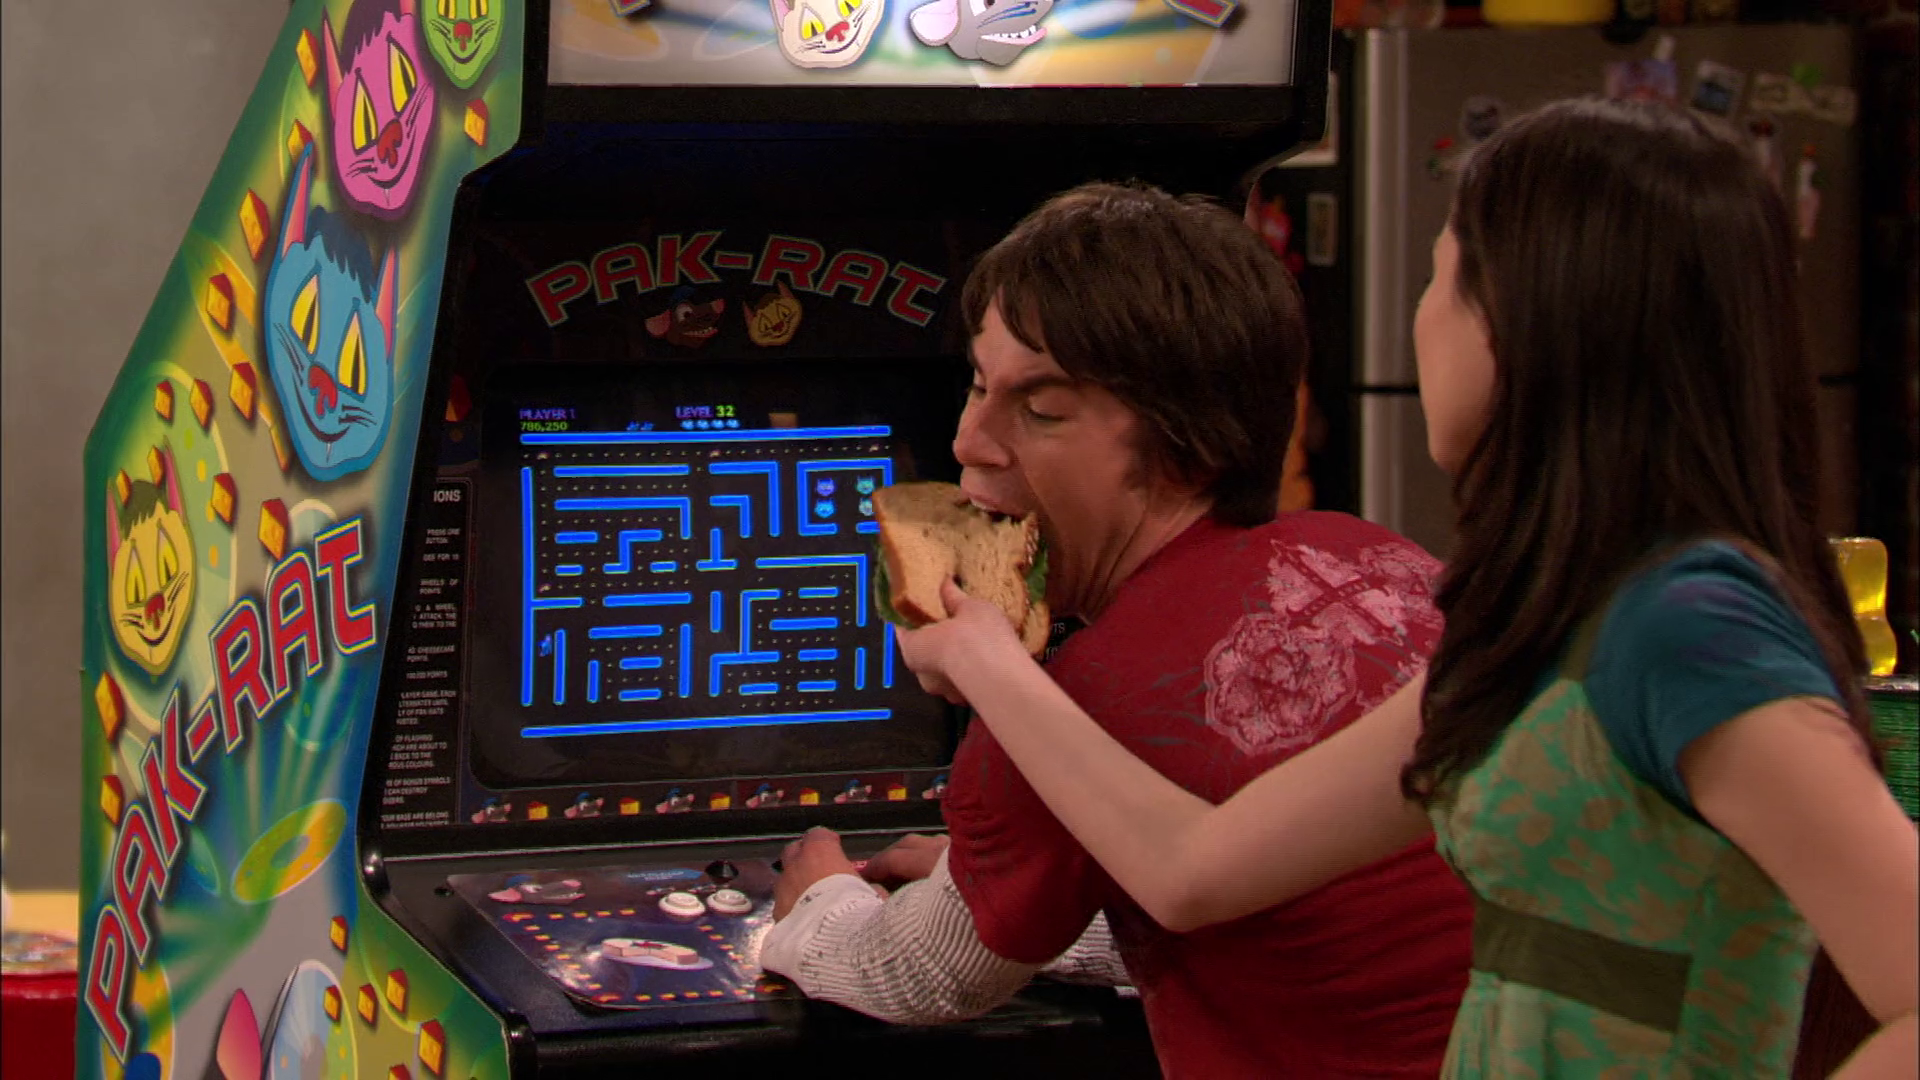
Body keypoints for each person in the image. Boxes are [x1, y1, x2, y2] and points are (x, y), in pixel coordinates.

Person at [895, 98, 1920, 1077]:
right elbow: (1190, 870)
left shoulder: (1687, 628)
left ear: (1536, 327)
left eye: (1443, 280)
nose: (1421, 323)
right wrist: (989, 662)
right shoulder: (1542, 621)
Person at [760, 182, 1474, 1078]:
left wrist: (818, 904)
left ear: (1188, 446)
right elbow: (1307, 917)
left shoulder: (1067, 705)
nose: (969, 440)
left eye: (1042, 409)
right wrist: (1026, 884)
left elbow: (919, 973)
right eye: (978, 384)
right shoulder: (1384, 558)